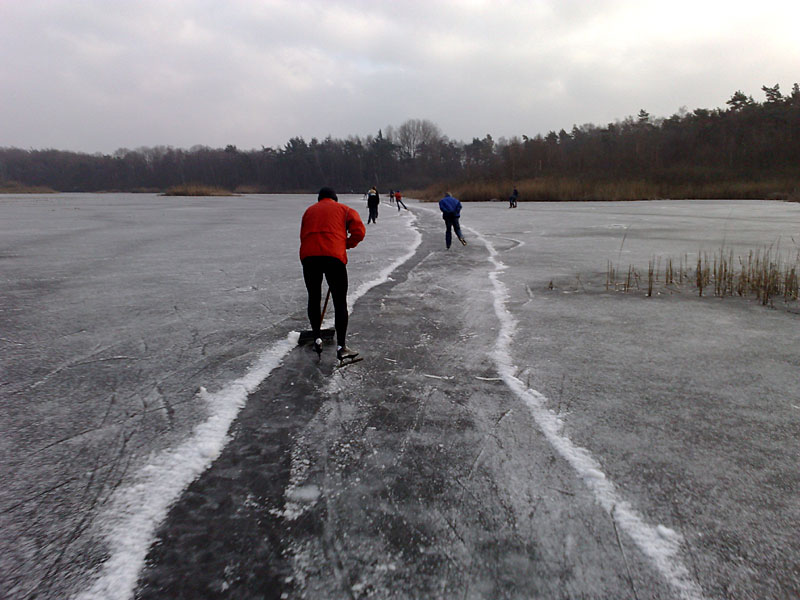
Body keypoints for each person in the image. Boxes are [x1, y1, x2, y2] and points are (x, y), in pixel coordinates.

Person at [300, 186, 365, 360]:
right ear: (334, 198)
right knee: (339, 301)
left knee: (313, 297)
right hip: (333, 258)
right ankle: (342, 347)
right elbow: (359, 231)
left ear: (319, 198)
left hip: (309, 257)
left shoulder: (309, 211)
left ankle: (317, 339)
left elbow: (303, 235)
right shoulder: (345, 210)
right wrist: (346, 244)